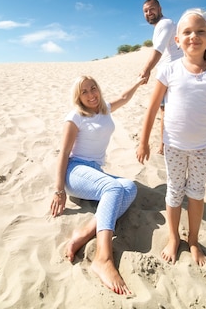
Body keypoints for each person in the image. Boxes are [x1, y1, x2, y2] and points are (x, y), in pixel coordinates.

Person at [136, 8, 206, 266]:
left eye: (200, 32)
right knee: (174, 193)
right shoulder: (169, 70)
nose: (193, 36)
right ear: (177, 40)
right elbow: (152, 109)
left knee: (196, 194)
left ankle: (193, 240)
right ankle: (174, 238)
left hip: (203, 148)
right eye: (186, 32)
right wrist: (143, 142)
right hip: (174, 146)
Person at [50, 74, 145, 295]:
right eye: (84, 91)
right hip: (75, 172)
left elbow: (124, 97)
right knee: (112, 188)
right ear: (78, 97)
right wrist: (58, 190)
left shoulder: (104, 110)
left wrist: (140, 81)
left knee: (129, 187)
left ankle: (84, 233)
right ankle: (103, 258)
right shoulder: (75, 117)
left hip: (94, 172)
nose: (91, 94)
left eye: (93, 88)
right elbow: (63, 153)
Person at [139, 0, 184, 155]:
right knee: (171, 109)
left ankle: (164, 146)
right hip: (170, 71)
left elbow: (157, 50)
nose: (149, 13)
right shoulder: (161, 26)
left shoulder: (165, 23)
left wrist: (146, 69)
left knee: (165, 110)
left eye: (152, 9)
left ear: (160, 8)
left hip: (172, 72)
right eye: (145, 11)